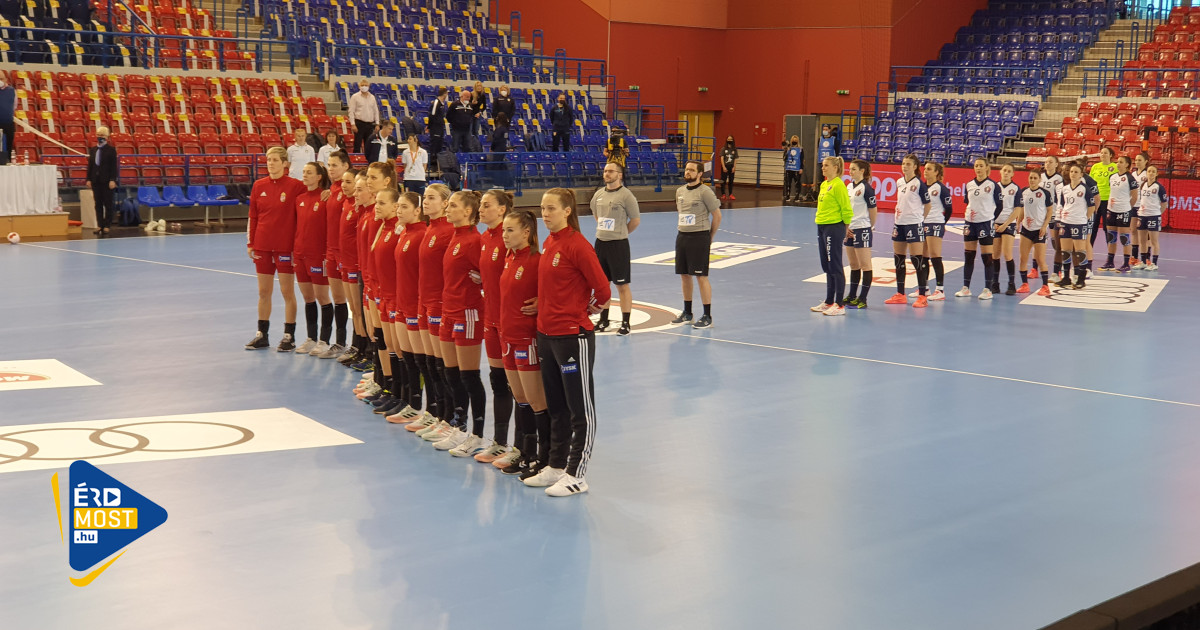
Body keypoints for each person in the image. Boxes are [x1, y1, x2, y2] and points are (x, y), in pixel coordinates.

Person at [521, 188, 610, 497]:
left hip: (572, 338)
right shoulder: (550, 242)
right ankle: (557, 466)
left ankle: (577, 474)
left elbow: (603, 290)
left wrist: (583, 309)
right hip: (546, 335)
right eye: (543, 208)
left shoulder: (578, 245)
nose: (545, 214)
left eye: (551, 208)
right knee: (556, 406)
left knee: (579, 408)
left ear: (567, 211)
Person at [495, 209, 548, 475]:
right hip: (508, 338)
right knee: (521, 398)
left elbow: (555, 292)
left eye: (510, 230)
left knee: (537, 401)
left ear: (526, 232)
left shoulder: (537, 261)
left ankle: (544, 457)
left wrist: (542, 303)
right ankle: (526, 453)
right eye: (503, 230)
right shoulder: (509, 258)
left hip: (527, 339)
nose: (504, 235)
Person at [436, 191, 489, 456]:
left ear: (468, 211)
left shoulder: (474, 240)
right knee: (451, 373)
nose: (447, 208)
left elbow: (492, 272)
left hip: (467, 313)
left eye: (453, 205)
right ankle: (459, 426)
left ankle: (476, 435)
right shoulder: (456, 236)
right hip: (448, 310)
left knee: (469, 376)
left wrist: (484, 279)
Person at [245, 146, 305, 351]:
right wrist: (251, 243)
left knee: (287, 291)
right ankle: (262, 334)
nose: (271, 163)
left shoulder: (296, 186)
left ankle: (289, 336)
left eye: (275, 160)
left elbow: (311, 199)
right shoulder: (258, 185)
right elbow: (253, 216)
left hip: (285, 248)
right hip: (262, 246)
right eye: (268, 160)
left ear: (285, 163)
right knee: (263, 292)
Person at [411, 185, 458, 440]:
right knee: (429, 362)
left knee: (442, 365)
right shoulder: (430, 228)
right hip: (424, 301)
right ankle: (435, 412)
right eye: (425, 198)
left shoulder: (448, 231)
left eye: (431, 198)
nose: (425, 202)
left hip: (439, 304)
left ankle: (449, 418)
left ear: (445, 203)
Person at [473, 189, 514, 462]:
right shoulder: (485, 238)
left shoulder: (508, 238)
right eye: (480, 205)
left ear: (501, 209)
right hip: (491, 319)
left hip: (510, 321)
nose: (481, 209)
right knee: (497, 380)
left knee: (516, 386)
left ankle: (523, 446)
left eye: (486, 205)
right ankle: (499, 442)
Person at [386, 189, 432, 425]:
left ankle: (421, 406)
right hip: (402, 302)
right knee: (406, 357)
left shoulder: (421, 234)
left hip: (415, 305)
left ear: (417, 211)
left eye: (404, 207)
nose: (399, 211)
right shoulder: (404, 232)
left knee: (420, 360)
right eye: (398, 206)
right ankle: (409, 402)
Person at [589, 162, 641, 334]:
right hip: (601, 244)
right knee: (603, 285)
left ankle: (626, 322)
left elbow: (635, 220)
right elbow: (596, 214)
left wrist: (621, 232)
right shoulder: (598, 195)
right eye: (605, 171)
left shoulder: (627, 196)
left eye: (610, 171)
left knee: (622, 285)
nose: (607, 173)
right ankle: (604, 320)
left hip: (618, 245)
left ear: (619, 174)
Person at [671, 160, 721, 328]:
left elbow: (717, 215)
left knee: (701, 276)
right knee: (684, 275)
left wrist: (710, 236)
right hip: (682, 236)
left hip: (699, 237)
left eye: (692, 170)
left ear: (700, 174)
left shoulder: (705, 192)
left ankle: (707, 316)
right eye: (686, 169)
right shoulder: (679, 191)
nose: (688, 172)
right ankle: (687, 313)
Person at [292, 162, 334, 356]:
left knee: (322, 297)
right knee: (308, 298)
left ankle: (324, 340)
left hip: (318, 256)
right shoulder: (299, 199)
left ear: (319, 176)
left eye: (309, 172)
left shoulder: (325, 197)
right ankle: (311, 338)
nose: (305, 175)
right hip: (300, 254)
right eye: (304, 172)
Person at [883, 154, 931, 308]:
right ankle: (900, 294)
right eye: (903, 163)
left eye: (908, 164)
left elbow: (928, 204)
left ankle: (922, 295)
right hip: (899, 224)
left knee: (917, 259)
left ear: (915, 167)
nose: (905, 166)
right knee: (899, 259)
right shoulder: (899, 182)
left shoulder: (919, 184)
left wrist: (920, 220)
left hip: (914, 225)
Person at [810, 156, 853, 316]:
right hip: (822, 226)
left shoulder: (838, 185)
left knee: (835, 264)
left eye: (826, 165)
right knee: (826, 265)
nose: (823, 168)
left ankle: (839, 304)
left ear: (835, 168)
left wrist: (846, 227)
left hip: (834, 227)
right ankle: (829, 301)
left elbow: (846, 208)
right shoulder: (824, 184)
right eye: (823, 165)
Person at [319, 151, 351, 359]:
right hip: (331, 251)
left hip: (345, 253)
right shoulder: (330, 190)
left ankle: (361, 345)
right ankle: (340, 342)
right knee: (338, 298)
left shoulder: (349, 191)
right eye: (329, 165)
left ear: (345, 166)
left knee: (354, 302)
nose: (330, 169)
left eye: (335, 165)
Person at [336, 168, 369, 365]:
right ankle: (358, 346)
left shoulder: (362, 209)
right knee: (355, 310)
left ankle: (365, 348)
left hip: (357, 264)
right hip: (347, 262)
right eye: (346, 182)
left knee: (360, 310)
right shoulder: (347, 204)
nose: (346, 187)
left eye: (355, 185)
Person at [956, 158, 1000, 300]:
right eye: (976, 166)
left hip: (985, 223)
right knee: (969, 256)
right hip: (970, 223)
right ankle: (965, 288)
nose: (978, 168)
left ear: (987, 167)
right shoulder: (969, 184)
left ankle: (988, 289)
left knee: (987, 257)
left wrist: (990, 218)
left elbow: (999, 206)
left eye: (981, 166)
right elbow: (968, 202)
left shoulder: (993, 185)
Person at [1056, 163, 1097, 290]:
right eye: (1071, 171)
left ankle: (1081, 279)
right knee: (1065, 251)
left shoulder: (1084, 189)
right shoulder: (1065, 189)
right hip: (1065, 222)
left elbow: (1092, 207)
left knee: (1080, 251)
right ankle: (1066, 278)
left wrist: (1084, 218)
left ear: (1081, 175)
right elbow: (1063, 205)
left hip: (1079, 223)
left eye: (1076, 172)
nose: (1073, 174)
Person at [843, 159, 877, 310]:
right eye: (850, 169)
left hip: (862, 228)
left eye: (853, 169)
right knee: (853, 265)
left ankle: (863, 298)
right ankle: (852, 295)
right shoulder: (849, 186)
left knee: (865, 265)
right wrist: (846, 226)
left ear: (862, 171)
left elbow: (873, 210)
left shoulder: (866, 188)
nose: (850, 172)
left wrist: (869, 226)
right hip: (850, 229)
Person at [1015, 168, 1054, 296]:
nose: (1032, 180)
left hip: (1039, 230)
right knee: (1023, 258)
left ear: (1039, 180)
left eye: (1035, 178)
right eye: (1030, 178)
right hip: (1026, 229)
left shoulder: (1045, 193)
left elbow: (1049, 211)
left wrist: (1044, 226)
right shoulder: (1024, 192)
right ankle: (1024, 285)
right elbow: (1021, 209)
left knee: (1040, 259)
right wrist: (1018, 222)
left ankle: (1045, 286)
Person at [1100, 154, 1138, 272]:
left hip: (1124, 211)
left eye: (1121, 162)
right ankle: (1110, 262)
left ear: (1127, 165)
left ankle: (1126, 264)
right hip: (1111, 210)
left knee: (1124, 238)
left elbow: (1134, 196)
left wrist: (1127, 207)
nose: (1118, 164)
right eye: (1118, 162)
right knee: (1111, 237)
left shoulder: (1130, 178)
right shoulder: (1112, 177)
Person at [919, 161, 951, 300]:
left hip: (935, 222)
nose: (925, 171)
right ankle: (924, 288)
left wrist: (942, 223)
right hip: (923, 223)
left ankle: (940, 290)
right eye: (925, 168)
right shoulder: (921, 187)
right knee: (923, 256)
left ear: (936, 172)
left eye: (929, 169)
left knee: (935, 256)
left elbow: (949, 208)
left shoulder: (941, 188)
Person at [991, 163, 1021, 295]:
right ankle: (995, 284)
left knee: (1007, 254)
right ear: (1000, 172)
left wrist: (1006, 224)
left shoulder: (1015, 188)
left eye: (1009, 171)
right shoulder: (994, 187)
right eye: (1004, 170)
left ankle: (1011, 284)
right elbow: (989, 206)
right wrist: (993, 222)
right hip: (995, 223)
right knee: (995, 255)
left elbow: (1017, 209)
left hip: (1009, 223)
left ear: (1013, 174)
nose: (1006, 173)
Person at [85, 126, 118, 236]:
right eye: (98, 135)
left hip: (107, 181)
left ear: (107, 137)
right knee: (98, 204)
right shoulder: (93, 150)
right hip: (96, 180)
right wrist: (88, 179)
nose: (100, 137)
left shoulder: (111, 150)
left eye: (102, 135)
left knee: (108, 204)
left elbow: (114, 167)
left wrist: (113, 180)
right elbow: (90, 166)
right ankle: (100, 224)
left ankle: (107, 225)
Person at [1136, 165, 1167, 271]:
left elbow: (1164, 203)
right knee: (1142, 240)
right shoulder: (1143, 185)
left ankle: (1154, 263)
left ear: (1157, 174)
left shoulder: (1159, 187)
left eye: (1153, 171)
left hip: (1153, 216)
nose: (1151, 173)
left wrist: (1158, 214)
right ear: (1146, 173)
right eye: (1149, 171)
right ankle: (1143, 262)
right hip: (1142, 215)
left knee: (1154, 241)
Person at [1088, 147, 1117, 252]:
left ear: (1110, 155)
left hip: (1107, 200)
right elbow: (1090, 183)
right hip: (1095, 200)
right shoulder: (1095, 167)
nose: (1103, 155)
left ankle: (1110, 252)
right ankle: (1088, 250)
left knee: (1106, 227)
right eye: (1101, 153)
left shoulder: (1115, 167)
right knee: (1092, 226)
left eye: (1105, 153)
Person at [348, 79, 380, 155]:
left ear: (368, 86)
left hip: (369, 124)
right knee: (357, 144)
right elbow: (351, 111)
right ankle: (356, 158)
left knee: (368, 144)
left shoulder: (372, 97)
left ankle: (367, 158)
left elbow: (375, 111)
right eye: (362, 85)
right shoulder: (355, 97)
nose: (364, 87)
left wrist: (377, 123)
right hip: (359, 123)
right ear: (359, 86)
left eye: (366, 85)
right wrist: (353, 124)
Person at [1130, 152, 1150, 269]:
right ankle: (1134, 256)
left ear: (1146, 161)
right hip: (1134, 205)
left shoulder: (1148, 173)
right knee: (1133, 230)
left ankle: (1147, 257)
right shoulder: (1133, 174)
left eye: (1140, 160)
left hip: (1144, 206)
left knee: (1144, 233)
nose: (1137, 162)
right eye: (1136, 160)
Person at [427, 87, 448, 160]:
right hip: (435, 127)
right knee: (434, 145)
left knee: (439, 144)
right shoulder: (436, 102)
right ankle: (432, 161)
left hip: (440, 127)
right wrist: (429, 127)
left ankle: (438, 161)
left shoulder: (442, 104)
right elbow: (432, 115)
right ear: (444, 94)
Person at [782, 135, 804, 203]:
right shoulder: (788, 149)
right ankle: (787, 196)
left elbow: (802, 159)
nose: (794, 141)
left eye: (795, 140)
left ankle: (797, 197)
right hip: (789, 168)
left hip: (796, 169)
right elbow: (784, 158)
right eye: (793, 140)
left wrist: (801, 168)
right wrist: (787, 151)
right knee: (788, 183)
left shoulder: (800, 149)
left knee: (797, 184)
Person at [0, 70, 14, 165]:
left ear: (6, 79)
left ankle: (8, 162)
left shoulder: (11, 91)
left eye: (1, 79)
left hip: (7, 124)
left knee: (8, 146)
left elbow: (13, 106)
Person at [719, 136, 738, 202]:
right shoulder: (723, 149)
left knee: (731, 181)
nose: (729, 140)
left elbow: (735, 159)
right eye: (728, 139)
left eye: (731, 139)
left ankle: (730, 194)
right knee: (723, 181)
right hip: (725, 166)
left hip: (731, 166)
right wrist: (723, 167)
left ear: (733, 140)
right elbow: (721, 158)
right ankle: (723, 194)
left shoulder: (734, 149)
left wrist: (734, 167)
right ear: (726, 140)